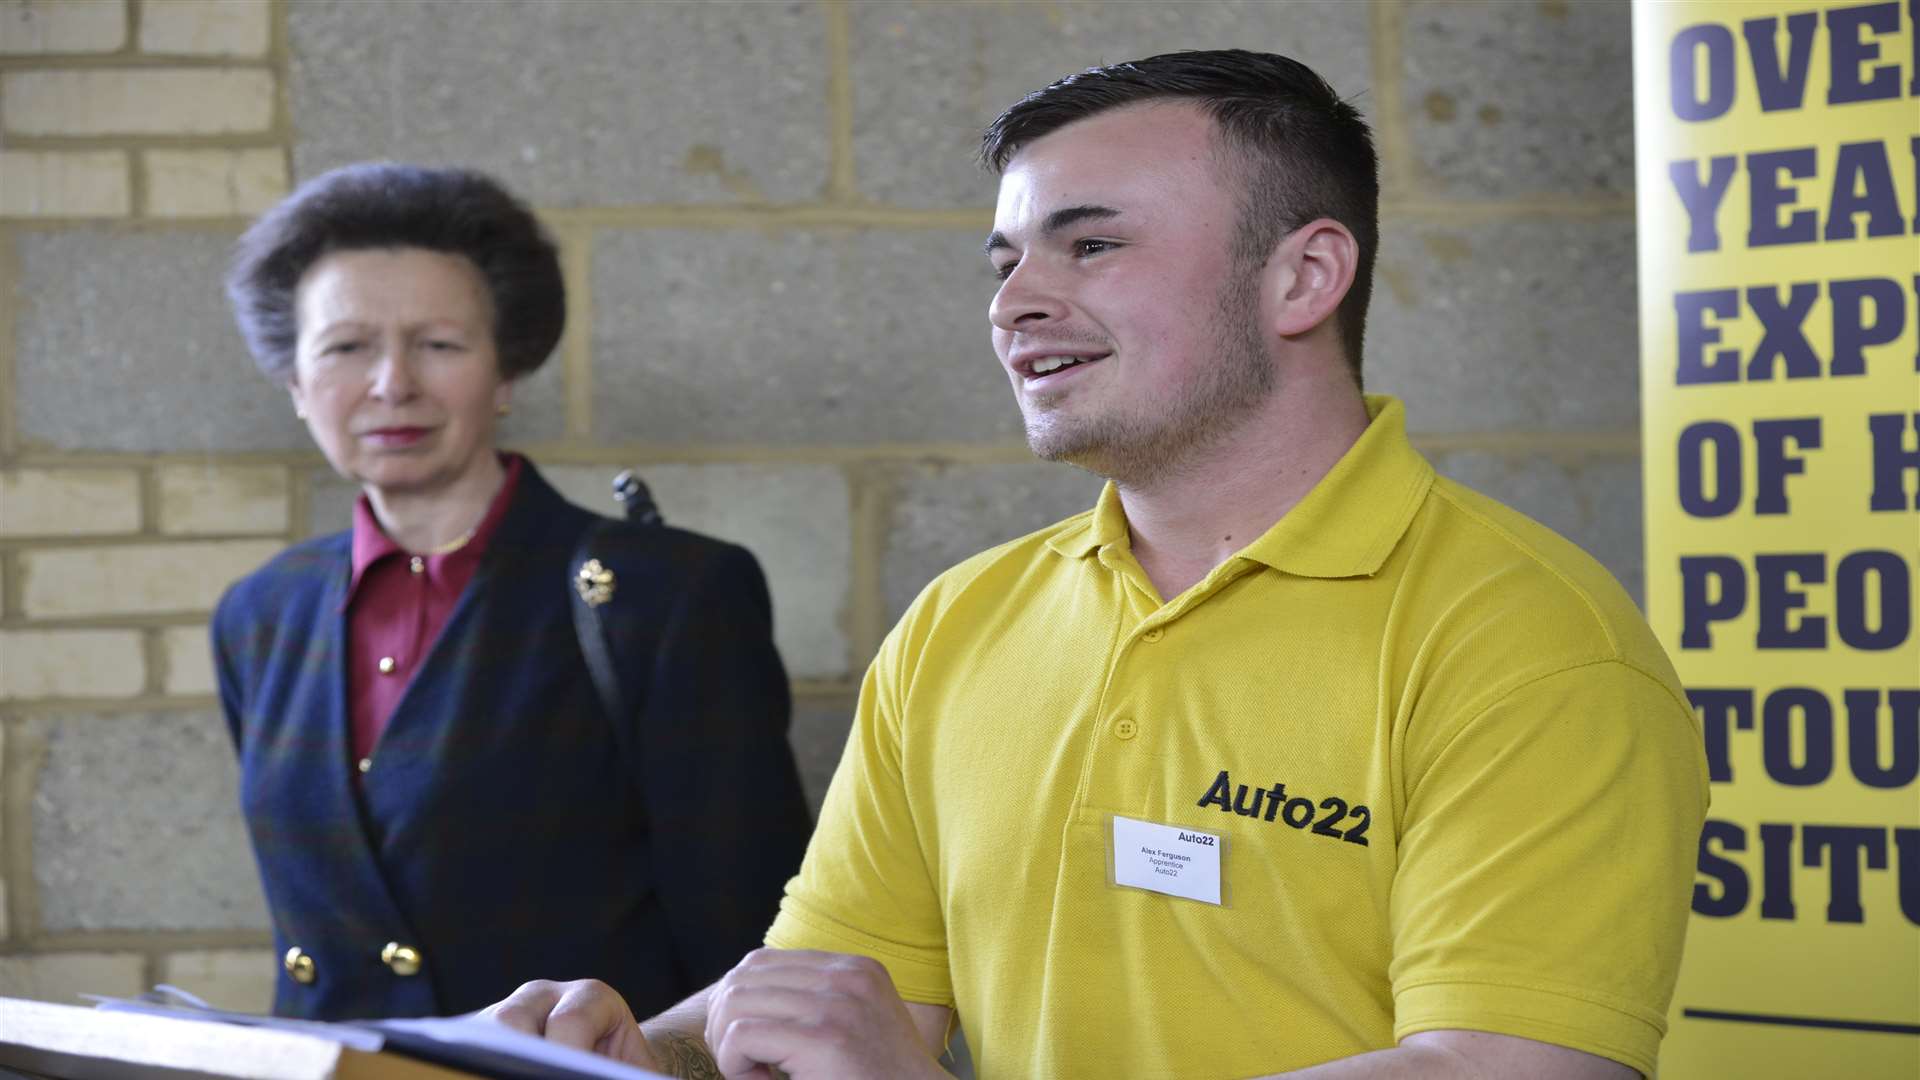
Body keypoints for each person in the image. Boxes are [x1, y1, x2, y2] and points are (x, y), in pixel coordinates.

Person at [484, 50, 1707, 1079]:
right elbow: (844, 1011)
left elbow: (1494, 1071)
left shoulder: (1530, 646)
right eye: (1006, 259)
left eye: (1090, 246)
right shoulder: (963, 621)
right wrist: (629, 1054)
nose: (1015, 302)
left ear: (1305, 275)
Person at [212, 163, 811, 1021]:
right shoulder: (261, 613)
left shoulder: (668, 597)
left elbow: (746, 941)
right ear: (296, 383)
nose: (392, 384)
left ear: (507, 373)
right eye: (346, 347)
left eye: (439, 344)